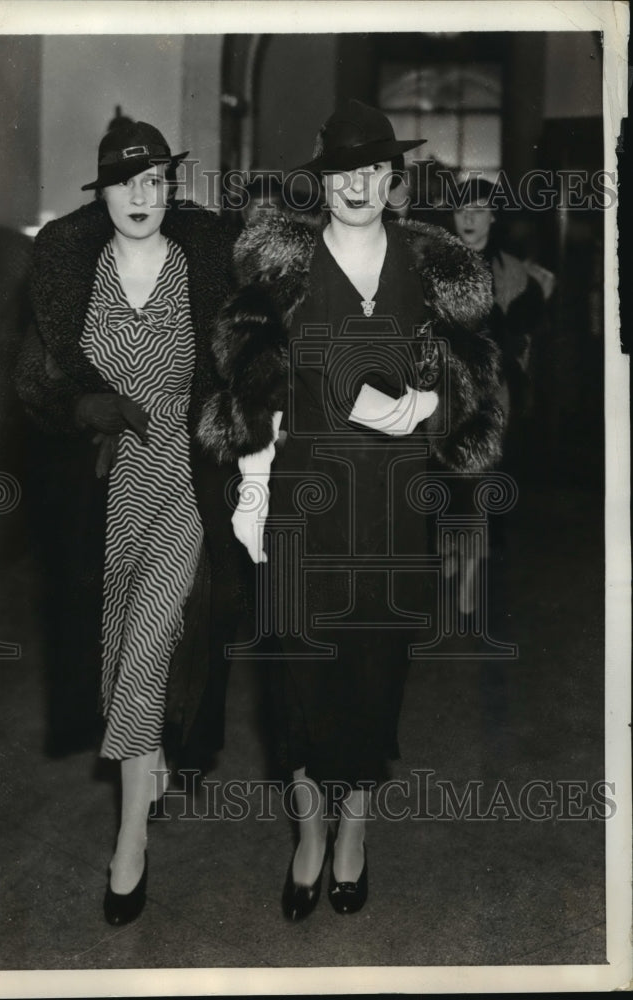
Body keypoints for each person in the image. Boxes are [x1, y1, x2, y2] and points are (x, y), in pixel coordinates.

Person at [197, 99, 504, 920]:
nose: (359, 185)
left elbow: (474, 393)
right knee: (298, 675)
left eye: (374, 170)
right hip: (304, 502)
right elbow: (253, 397)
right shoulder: (282, 274)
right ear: (323, 181)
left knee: (375, 669)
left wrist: (425, 409)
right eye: (344, 172)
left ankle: (355, 831)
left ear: (394, 180)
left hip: (397, 505)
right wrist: (255, 495)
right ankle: (307, 836)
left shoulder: (433, 270)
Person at [14, 118, 237, 926]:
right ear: (102, 193)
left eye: (156, 182)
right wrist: (85, 404)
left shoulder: (200, 267)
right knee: (114, 651)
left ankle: (130, 841)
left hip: (182, 476)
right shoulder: (74, 271)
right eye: (126, 183)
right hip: (102, 492)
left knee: (146, 644)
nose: (143, 198)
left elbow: (247, 368)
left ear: (170, 190)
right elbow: (36, 387)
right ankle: (150, 772)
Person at [449, 177, 554, 611]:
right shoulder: (433, 263)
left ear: (494, 215)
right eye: (461, 209)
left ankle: (469, 577)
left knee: (479, 482)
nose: (469, 217)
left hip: (490, 395)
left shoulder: (514, 273)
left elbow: (518, 339)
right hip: (438, 394)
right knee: (443, 484)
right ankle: (454, 555)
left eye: (478, 208)